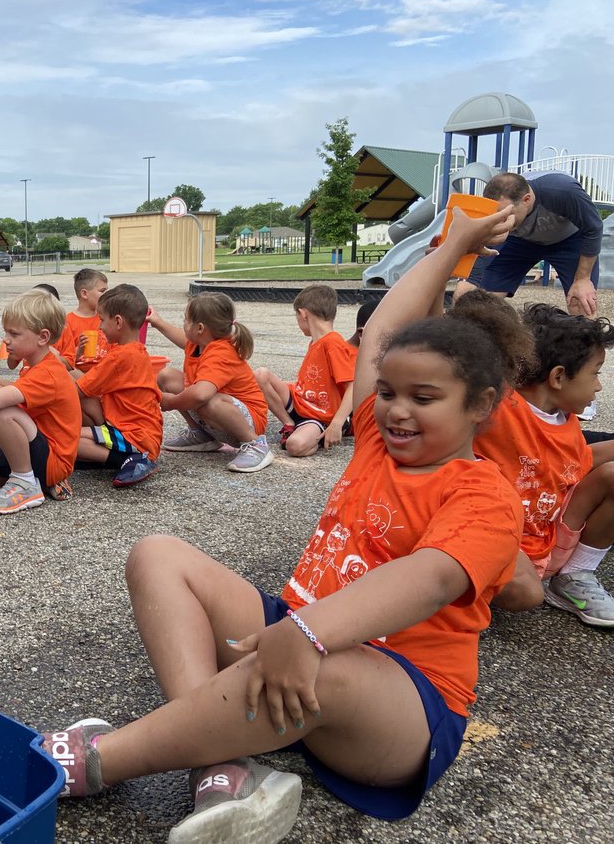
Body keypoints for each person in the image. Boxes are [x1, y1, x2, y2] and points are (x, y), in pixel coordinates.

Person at [42, 205, 526, 842]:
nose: (398, 411)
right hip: (297, 639)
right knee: (157, 554)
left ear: (481, 406)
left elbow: (431, 577)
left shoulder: (485, 493)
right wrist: (452, 242)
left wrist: (308, 633)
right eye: (388, 394)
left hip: (398, 702)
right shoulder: (381, 442)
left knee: (324, 662)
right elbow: (383, 330)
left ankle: (99, 763)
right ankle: (217, 764)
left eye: (425, 399)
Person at [472, 301, 614, 626]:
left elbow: (580, 463)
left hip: (547, 544)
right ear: (559, 377)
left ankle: (574, 577)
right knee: (526, 594)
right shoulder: (501, 407)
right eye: (595, 374)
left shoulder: (567, 422)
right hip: (502, 548)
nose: (599, 386)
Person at [0, 290, 81, 513]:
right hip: (32, 448)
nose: (6, 339)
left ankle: (25, 483)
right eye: (6, 332)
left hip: (52, 459)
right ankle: (32, 481)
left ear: (43, 337)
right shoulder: (34, 365)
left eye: (14, 334)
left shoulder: (49, 373)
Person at [150, 293, 273, 473]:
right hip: (221, 415)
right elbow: (182, 338)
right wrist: (157, 321)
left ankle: (255, 444)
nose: (183, 324)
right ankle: (202, 436)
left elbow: (201, 394)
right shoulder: (199, 342)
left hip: (247, 421)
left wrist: (170, 402)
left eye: (185, 320)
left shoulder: (221, 352)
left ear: (199, 328)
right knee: (167, 376)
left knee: (209, 400)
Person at [458, 171, 602, 318]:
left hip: (569, 240)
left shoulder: (562, 191)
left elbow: (593, 228)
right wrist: (470, 282)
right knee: (479, 302)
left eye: (506, 213)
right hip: (520, 242)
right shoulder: (499, 211)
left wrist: (582, 279)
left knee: (581, 302)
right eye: (496, 214)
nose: (501, 219)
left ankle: (583, 338)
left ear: (526, 199)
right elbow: (481, 245)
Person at [74, 284, 163, 487]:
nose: (99, 327)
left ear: (118, 321)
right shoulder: (136, 350)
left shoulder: (119, 357)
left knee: (65, 438)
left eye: (102, 320)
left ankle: (128, 460)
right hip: (144, 432)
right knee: (76, 387)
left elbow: (76, 390)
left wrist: (35, 395)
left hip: (133, 434)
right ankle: (111, 456)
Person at [254, 284, 356, 457]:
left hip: (320, 415)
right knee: (260, 375)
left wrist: (337, 423)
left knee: (295, 446)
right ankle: (289, 424)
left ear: (303, 314)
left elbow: (353, 386)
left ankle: (319, 434)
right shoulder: (316, 341)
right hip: (301, 402)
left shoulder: (332, 343)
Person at [57, 269, 110, 373]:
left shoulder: (107, 319)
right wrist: (79, 351)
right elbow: (62, 362)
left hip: (105, 372)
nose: (107, 295)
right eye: (102, 291)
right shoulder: (67, 323)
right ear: (84, 294)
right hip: (80, 375)